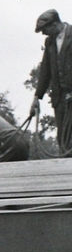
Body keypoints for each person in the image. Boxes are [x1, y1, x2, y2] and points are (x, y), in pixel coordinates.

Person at [29, 9, 72, 155]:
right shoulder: (49, 42)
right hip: (60, 99)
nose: (43, 33)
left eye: (44, 30)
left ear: (54, 24)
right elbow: (45, 71)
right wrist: (37, 97)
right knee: (63, 140)